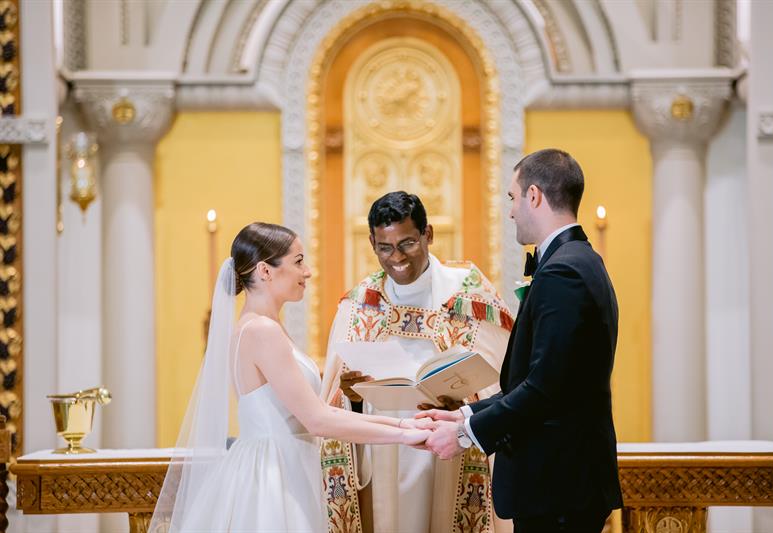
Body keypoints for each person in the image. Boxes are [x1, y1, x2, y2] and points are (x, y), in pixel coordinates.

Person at [150, 222, 431, 533]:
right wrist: (404, 434)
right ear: (265, 271)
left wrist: (404, 425)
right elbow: (317, 420)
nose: (307, 272)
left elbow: (317, 412)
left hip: (285, 463)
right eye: (298, 262)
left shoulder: (262, 327)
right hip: (274, 476)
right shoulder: (262, 331)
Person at [419, 149, 623, 533]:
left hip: (557, 486)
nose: (511, 211)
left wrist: (465, 435)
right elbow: (543, 379)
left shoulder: (564, 271)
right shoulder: (581, 260)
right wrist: (466, 415)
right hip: (563, 484)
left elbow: (545, 388)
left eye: (512, 198)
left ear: (534, 195)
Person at [320, 192, 514, 533]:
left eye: (407, 243)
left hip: (451, 448)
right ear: (372, 243)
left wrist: (464, 402)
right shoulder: (360, 304)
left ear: (428, 234)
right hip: (384, 455)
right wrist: (353, 397)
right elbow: (333, 405)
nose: (397, 258)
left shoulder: (469, 295)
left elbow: (505, 381)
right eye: (384, 247)